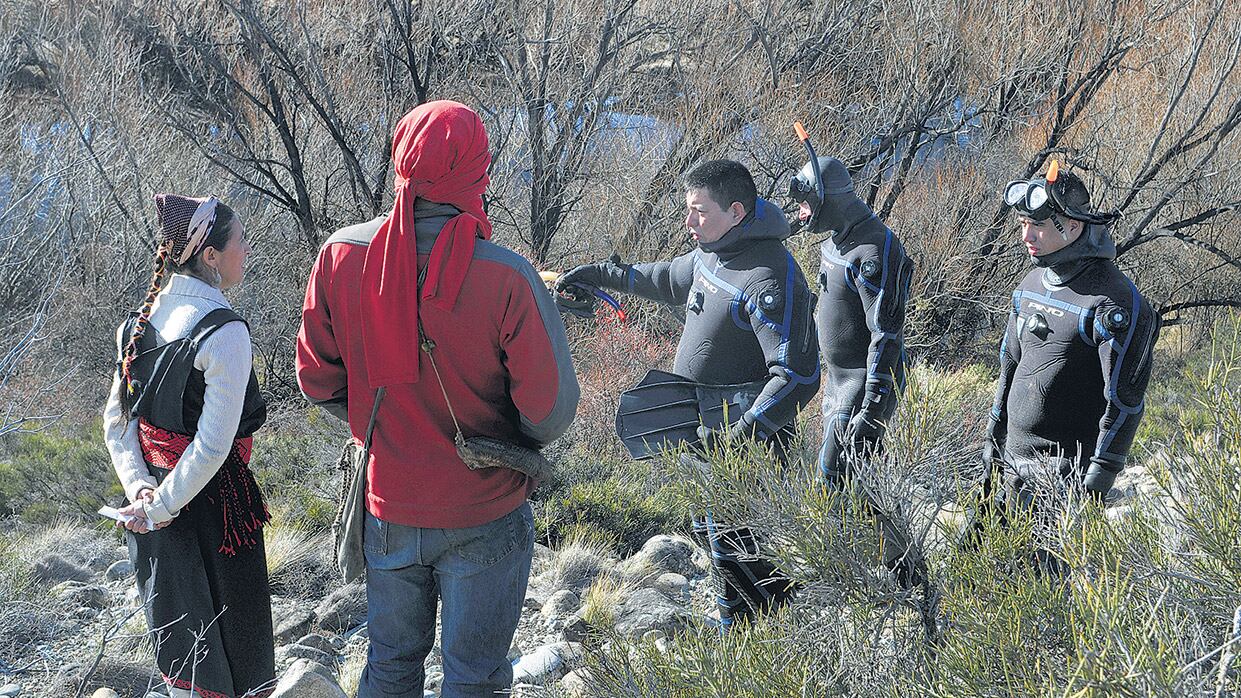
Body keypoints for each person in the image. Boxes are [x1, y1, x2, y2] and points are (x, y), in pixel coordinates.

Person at [296, 100, 579, 698]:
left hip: (389, 506)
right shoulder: (507, 275)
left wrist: (379, 430)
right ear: (477, 171)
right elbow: (548, 413)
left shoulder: (341, 256)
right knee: (474, 679)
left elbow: (318, 379)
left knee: (391, 667)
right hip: (484, 508)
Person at [557, 159, 820, 629]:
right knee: (718, 544)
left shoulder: (768, 276)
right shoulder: (712, 251)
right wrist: (599, 275)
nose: (688, 221)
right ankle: (753, 642)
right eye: (687, 209)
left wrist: (741, 439)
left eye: (698, 211)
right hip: (706, 437)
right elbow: (665, 279)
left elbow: (797, 377)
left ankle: (760, 649)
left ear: (736, 211)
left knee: (744, 554)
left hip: (747, 448)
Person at [104, 194, 274, 698]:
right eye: (240, 240)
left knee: (186, 656)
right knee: (235, 661)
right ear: (211, 256)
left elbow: (117, 421)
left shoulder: (136, 325)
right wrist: (161, 506)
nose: (247, 249)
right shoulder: (225, 333)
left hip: (156, 507)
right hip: (214, 515)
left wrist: (141, 490)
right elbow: (213, 446)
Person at [985, 162, 1158, 517]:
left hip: (1061, 482)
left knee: (1040, 574)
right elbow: (1009, 367)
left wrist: (1097, 480)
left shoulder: (1113, 303)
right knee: (972, 564)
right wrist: (992, 437)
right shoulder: (1029, 287)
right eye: (1022, 224)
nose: (1026, 236)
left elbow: (1125, 402)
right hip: (1008, 467)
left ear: (1073, 226)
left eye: (1037, 225)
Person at [786, 156, 913, 487]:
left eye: (805, 204)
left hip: (860, 384)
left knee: (832, 486)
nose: (801, 212)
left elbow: (887, 335)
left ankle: (861, 539)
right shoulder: (836, 238)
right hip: (837, 381)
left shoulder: (875, 250)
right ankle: (876, 534)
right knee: (853, 487)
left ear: (829, 200)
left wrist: (871, 408)